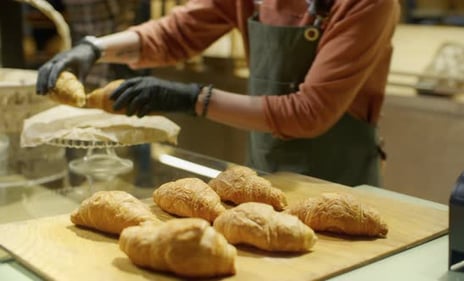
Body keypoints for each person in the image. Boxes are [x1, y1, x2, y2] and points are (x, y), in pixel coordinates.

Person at [36, 0, 401, 187]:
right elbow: (176, 33)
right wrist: (95, 48)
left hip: (341, 179)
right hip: (268, 170)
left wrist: (190, 98)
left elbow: (309, 111)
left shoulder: (368, 4)